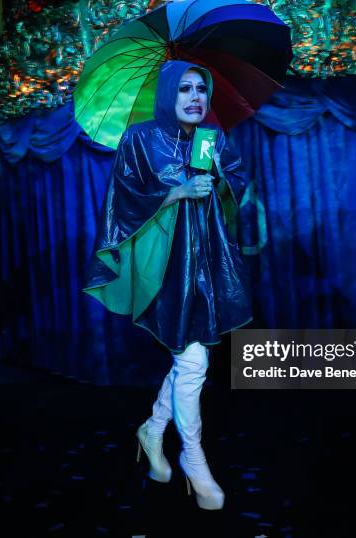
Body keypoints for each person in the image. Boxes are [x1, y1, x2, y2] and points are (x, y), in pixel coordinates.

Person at [84, 60, 253, 510]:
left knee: (189, 361)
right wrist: (174, 192)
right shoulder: (140, 138)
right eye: (184, 90)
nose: (196, 97)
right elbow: (120, 199)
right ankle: (194, 460)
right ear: (166, 95)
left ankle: (152, 431)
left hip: (206, 264)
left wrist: (218, 179)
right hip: (161, 265)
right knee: (194, 362)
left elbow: (238, 190)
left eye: (201, 88)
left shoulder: (211, 139)